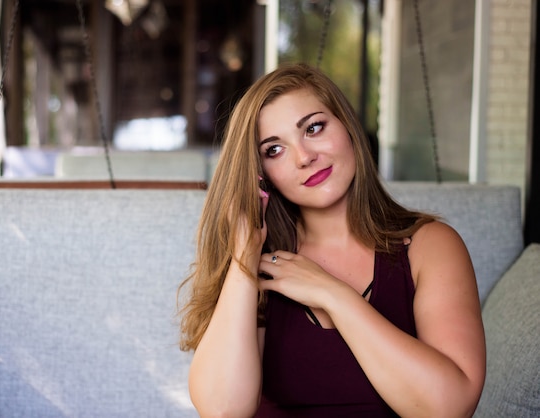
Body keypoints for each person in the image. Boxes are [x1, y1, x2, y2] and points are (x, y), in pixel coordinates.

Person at [177, 63, 485, 417]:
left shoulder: (431, 246)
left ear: (347, 126)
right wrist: (244, 256)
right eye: (274, 150)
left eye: (314, 128)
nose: (304, 157)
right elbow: (222, 410)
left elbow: (449, 408)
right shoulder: (257, 263)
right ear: (261, 175)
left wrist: (332, 294)